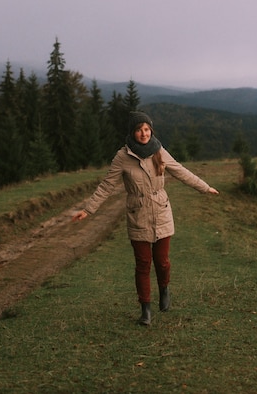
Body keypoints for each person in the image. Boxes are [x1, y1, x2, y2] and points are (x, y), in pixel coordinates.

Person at [72, 111, 219, 326]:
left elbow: (181, 171)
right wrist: (89, 209)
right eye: (140, 130)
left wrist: (205, 188)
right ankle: (145, 310)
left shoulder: (159, 151)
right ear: (133, 132)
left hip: (161, 211)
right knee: (142, 264)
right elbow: (106, 186)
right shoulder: (122, 157)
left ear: (151, 131)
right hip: (137, 214)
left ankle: (164, 289)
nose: (144, 133)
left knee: (162, 261)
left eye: (147, 129)